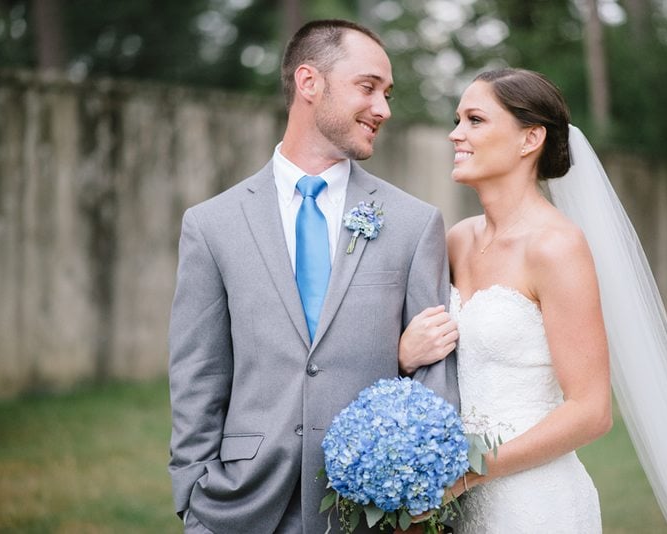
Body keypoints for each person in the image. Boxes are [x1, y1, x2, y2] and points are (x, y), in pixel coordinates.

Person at [400, 68, 667, 533]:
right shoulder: (458, 241)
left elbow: (590, 412)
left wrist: (464, 473)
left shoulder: (556, 247)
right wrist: (406, 355)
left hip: (535, 504)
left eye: (475, 120)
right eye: (458, 119)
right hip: (457, 510)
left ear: (530, 139)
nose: (455, 133)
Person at [168, 19, 459, 534]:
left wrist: (414, 506)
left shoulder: (415, 224)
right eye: (368, 88)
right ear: (309, 83)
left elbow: (436, 380)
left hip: (368, 511)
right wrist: (193, 497)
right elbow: (198, 374)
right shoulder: (212, 224)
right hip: (240, 504)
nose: (384, 109)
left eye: (387, 94)